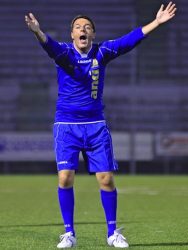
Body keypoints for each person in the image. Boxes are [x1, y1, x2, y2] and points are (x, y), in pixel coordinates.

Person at [24, 2, 176, 248]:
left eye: (87, 27)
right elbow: (49, 47)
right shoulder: (64, 53)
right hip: (66, 126)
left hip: (95, 126)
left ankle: (113, 232)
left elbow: (128, 41)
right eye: (77, 27)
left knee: (106, 179)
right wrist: (38, 32)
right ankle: (69, 233)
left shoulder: (101, 52)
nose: (82, 30)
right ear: (72, 34)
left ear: (93, 34)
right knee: (64, 178)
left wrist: (156, 22)